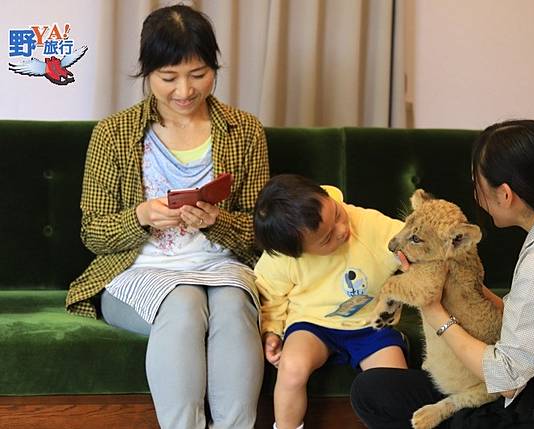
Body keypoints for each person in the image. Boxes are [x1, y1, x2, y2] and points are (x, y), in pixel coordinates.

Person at [350, 119, 534, 429]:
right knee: (374, 388)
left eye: (477, 184)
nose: (476, 194)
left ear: (506, 194)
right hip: (533, 388)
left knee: (375, 396)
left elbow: (506, 378)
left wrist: (434, 311)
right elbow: (530, 321)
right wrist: (470, 286)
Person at [65, 5, 269, 429]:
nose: (184, 91)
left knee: (233, 308)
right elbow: (93, 233)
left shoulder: (245, 130)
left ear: (214, 67)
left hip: (223, 267)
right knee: (183, 302)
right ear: (147, 72)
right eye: (168, 77)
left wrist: (217, 221)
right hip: (139, 270)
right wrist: (141, 216)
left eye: (198, 75)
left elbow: (261, 233)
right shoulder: (114, 133)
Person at [253, 174, 409, 429]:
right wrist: (271, 330)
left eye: (337, 213)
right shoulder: (282, 258)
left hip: (371, 324)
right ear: (298, 253)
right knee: (291, 368)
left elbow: (406, 238)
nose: (342, 229)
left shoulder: (367, 223)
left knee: (394, 383)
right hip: (312, 323)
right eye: (326, 239)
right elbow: (269, 295)